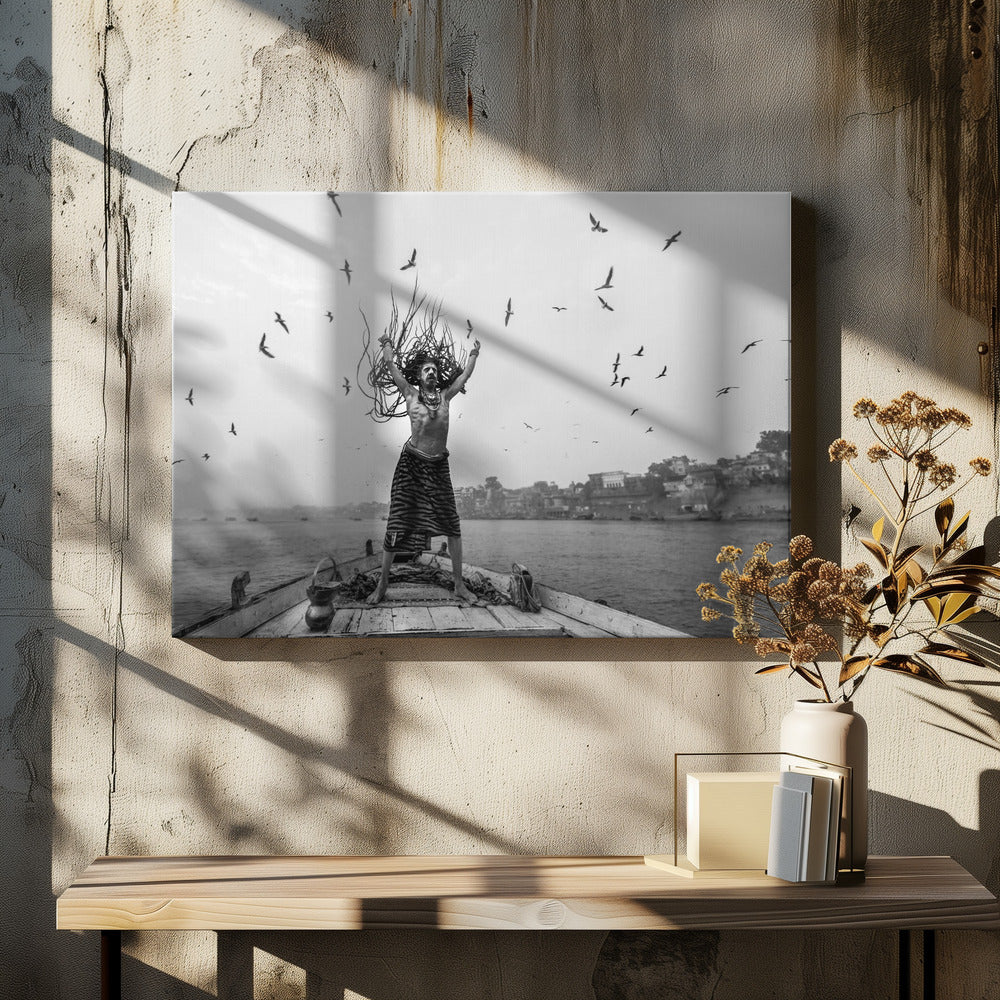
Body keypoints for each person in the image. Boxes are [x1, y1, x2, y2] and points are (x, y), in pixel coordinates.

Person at [367, 334, 481, 605]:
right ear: (419, 376)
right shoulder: (410, 394)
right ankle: (382, 585)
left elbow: (464, 376)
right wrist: (386, 346)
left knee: (452, 526)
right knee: (397, 523)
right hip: (411, 466)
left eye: (435, 370)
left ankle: (458, 585)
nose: (432, 372)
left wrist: (474, 356)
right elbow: (391, 367)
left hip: (439, 467)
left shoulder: (445, 396)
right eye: (427, 369)